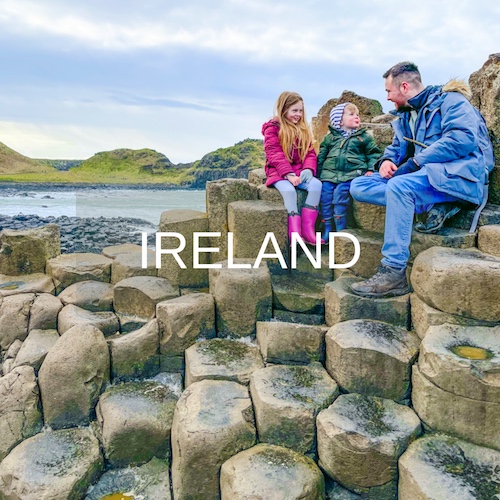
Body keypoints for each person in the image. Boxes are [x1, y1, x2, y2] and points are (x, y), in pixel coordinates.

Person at [349, 61, 494, 298]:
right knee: (359, 186)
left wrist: (416, 162)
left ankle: (393, 271)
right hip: (424, 178)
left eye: (388, 91)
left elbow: (462, 139)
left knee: (399, 186)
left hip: (459, 176)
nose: (387, 98)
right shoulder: (406, 116)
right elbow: (396, 148)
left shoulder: (451, 102)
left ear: (404, 86)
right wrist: (385, 162)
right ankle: (429, 204)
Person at [262, 91, 323, 245]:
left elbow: (309, 152)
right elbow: (274, 153)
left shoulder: (303, 129)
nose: (298, 114)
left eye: (300, 111)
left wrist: (308, 169)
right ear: (284, 110)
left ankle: (308, 231)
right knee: (289, 191)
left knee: (316, 185)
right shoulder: (273, 128)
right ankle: (294, 233)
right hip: (278, 171)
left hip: (298, 170)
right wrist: (288, 174)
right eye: (294, 111)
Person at [317, 102, 381, 242]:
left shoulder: (363, 137)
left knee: (340, 197)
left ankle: (341, 228)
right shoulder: (330, 138)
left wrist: (370, 169)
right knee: (325, 198)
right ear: (339, 121)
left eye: (357, 114)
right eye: (351, 114)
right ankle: (327, 227)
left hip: (351, 174)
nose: (356, 117)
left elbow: (373, 154)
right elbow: (321, 156)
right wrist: (317, 172)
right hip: (329, 175)